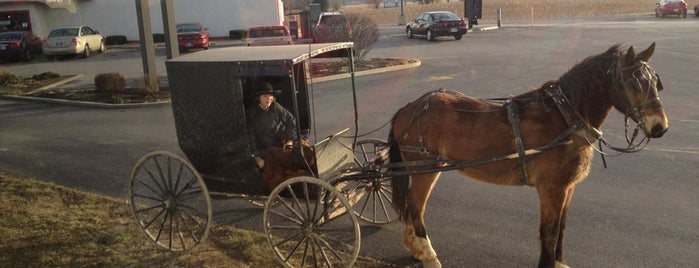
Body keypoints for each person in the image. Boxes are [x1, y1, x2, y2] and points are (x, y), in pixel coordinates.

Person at [246, 81, 297, 169]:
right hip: (267, 146)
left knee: (303, 149)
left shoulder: (275, 107)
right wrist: (256, 158)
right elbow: (250, 137)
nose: (268, 98)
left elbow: (291, 120)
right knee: (284, 159)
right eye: (265, 96)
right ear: (258, 98)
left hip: (283, 140)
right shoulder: (252, 113)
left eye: (270, 95)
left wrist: (290, 140)